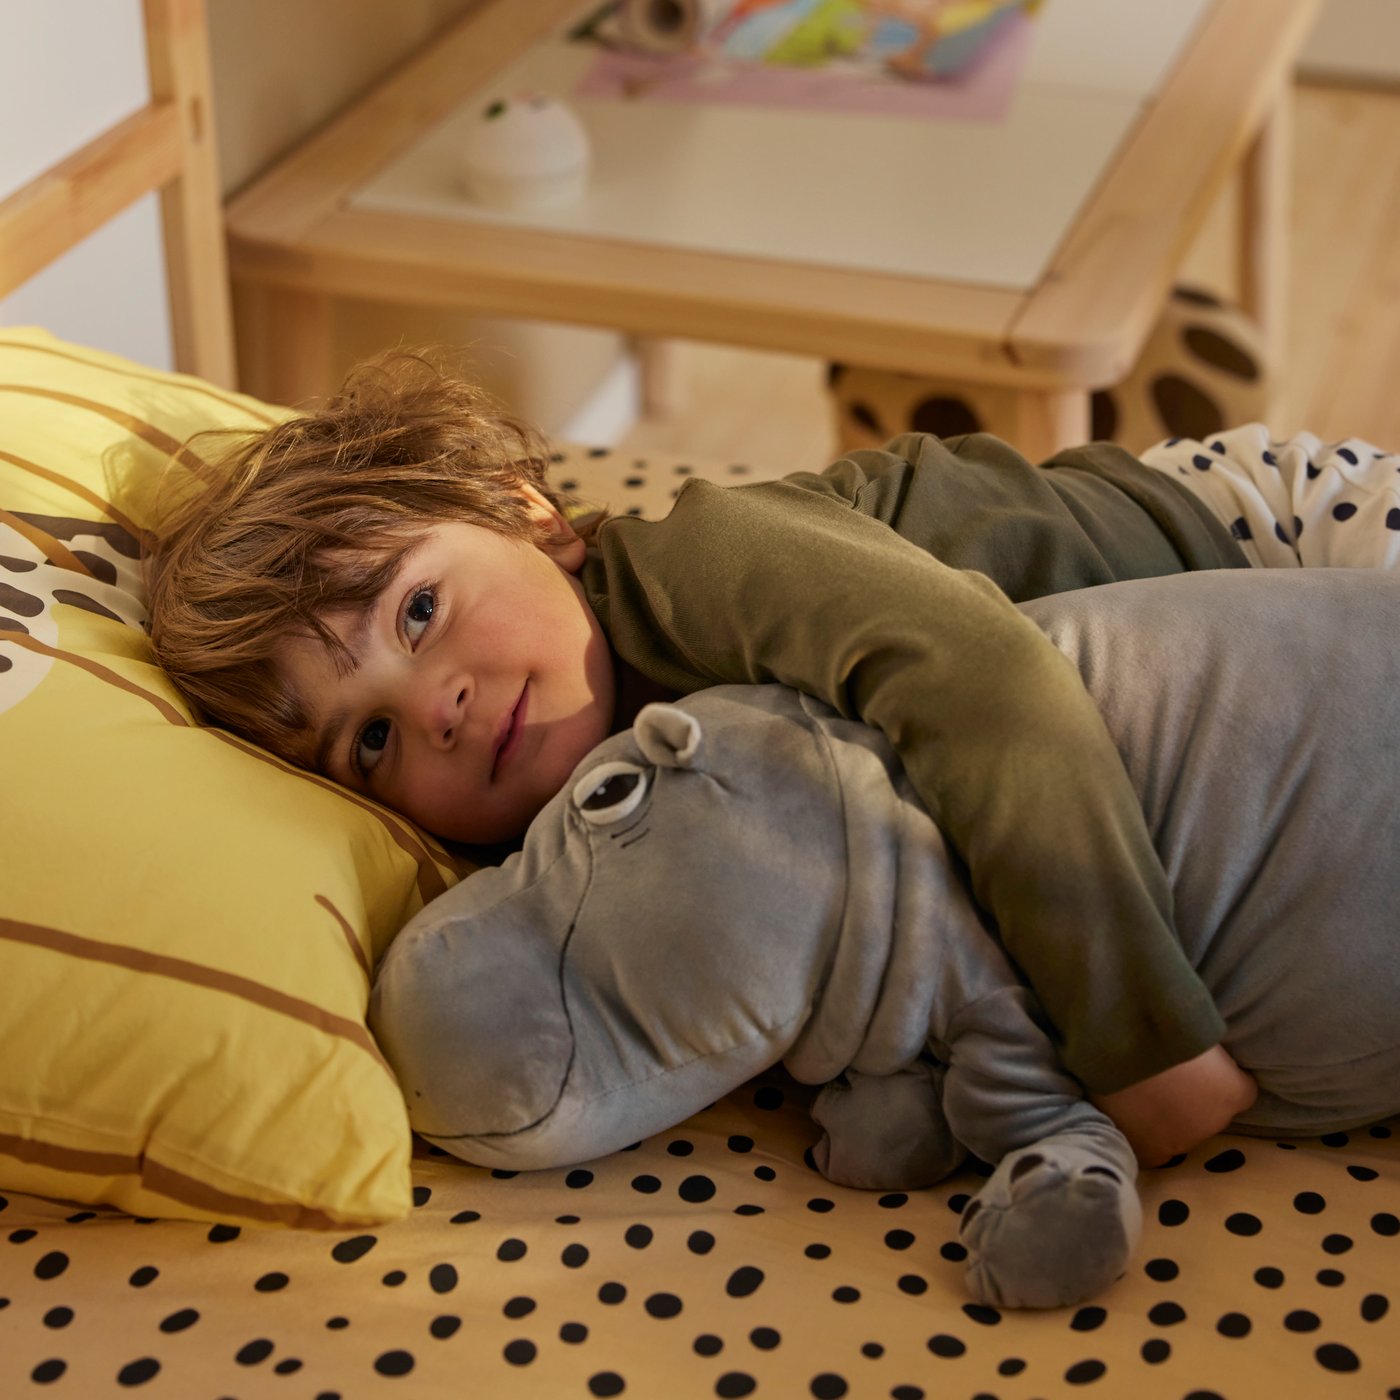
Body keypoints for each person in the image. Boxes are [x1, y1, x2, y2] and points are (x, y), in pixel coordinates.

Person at [144, 348, 1400, 1165]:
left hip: (1262, 527)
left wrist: (1139, 1039)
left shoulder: (704, 559)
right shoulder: (557, 834)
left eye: (418, 609)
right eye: (369, 738)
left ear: (526, 515)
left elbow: (986, 677)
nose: (438, 708)